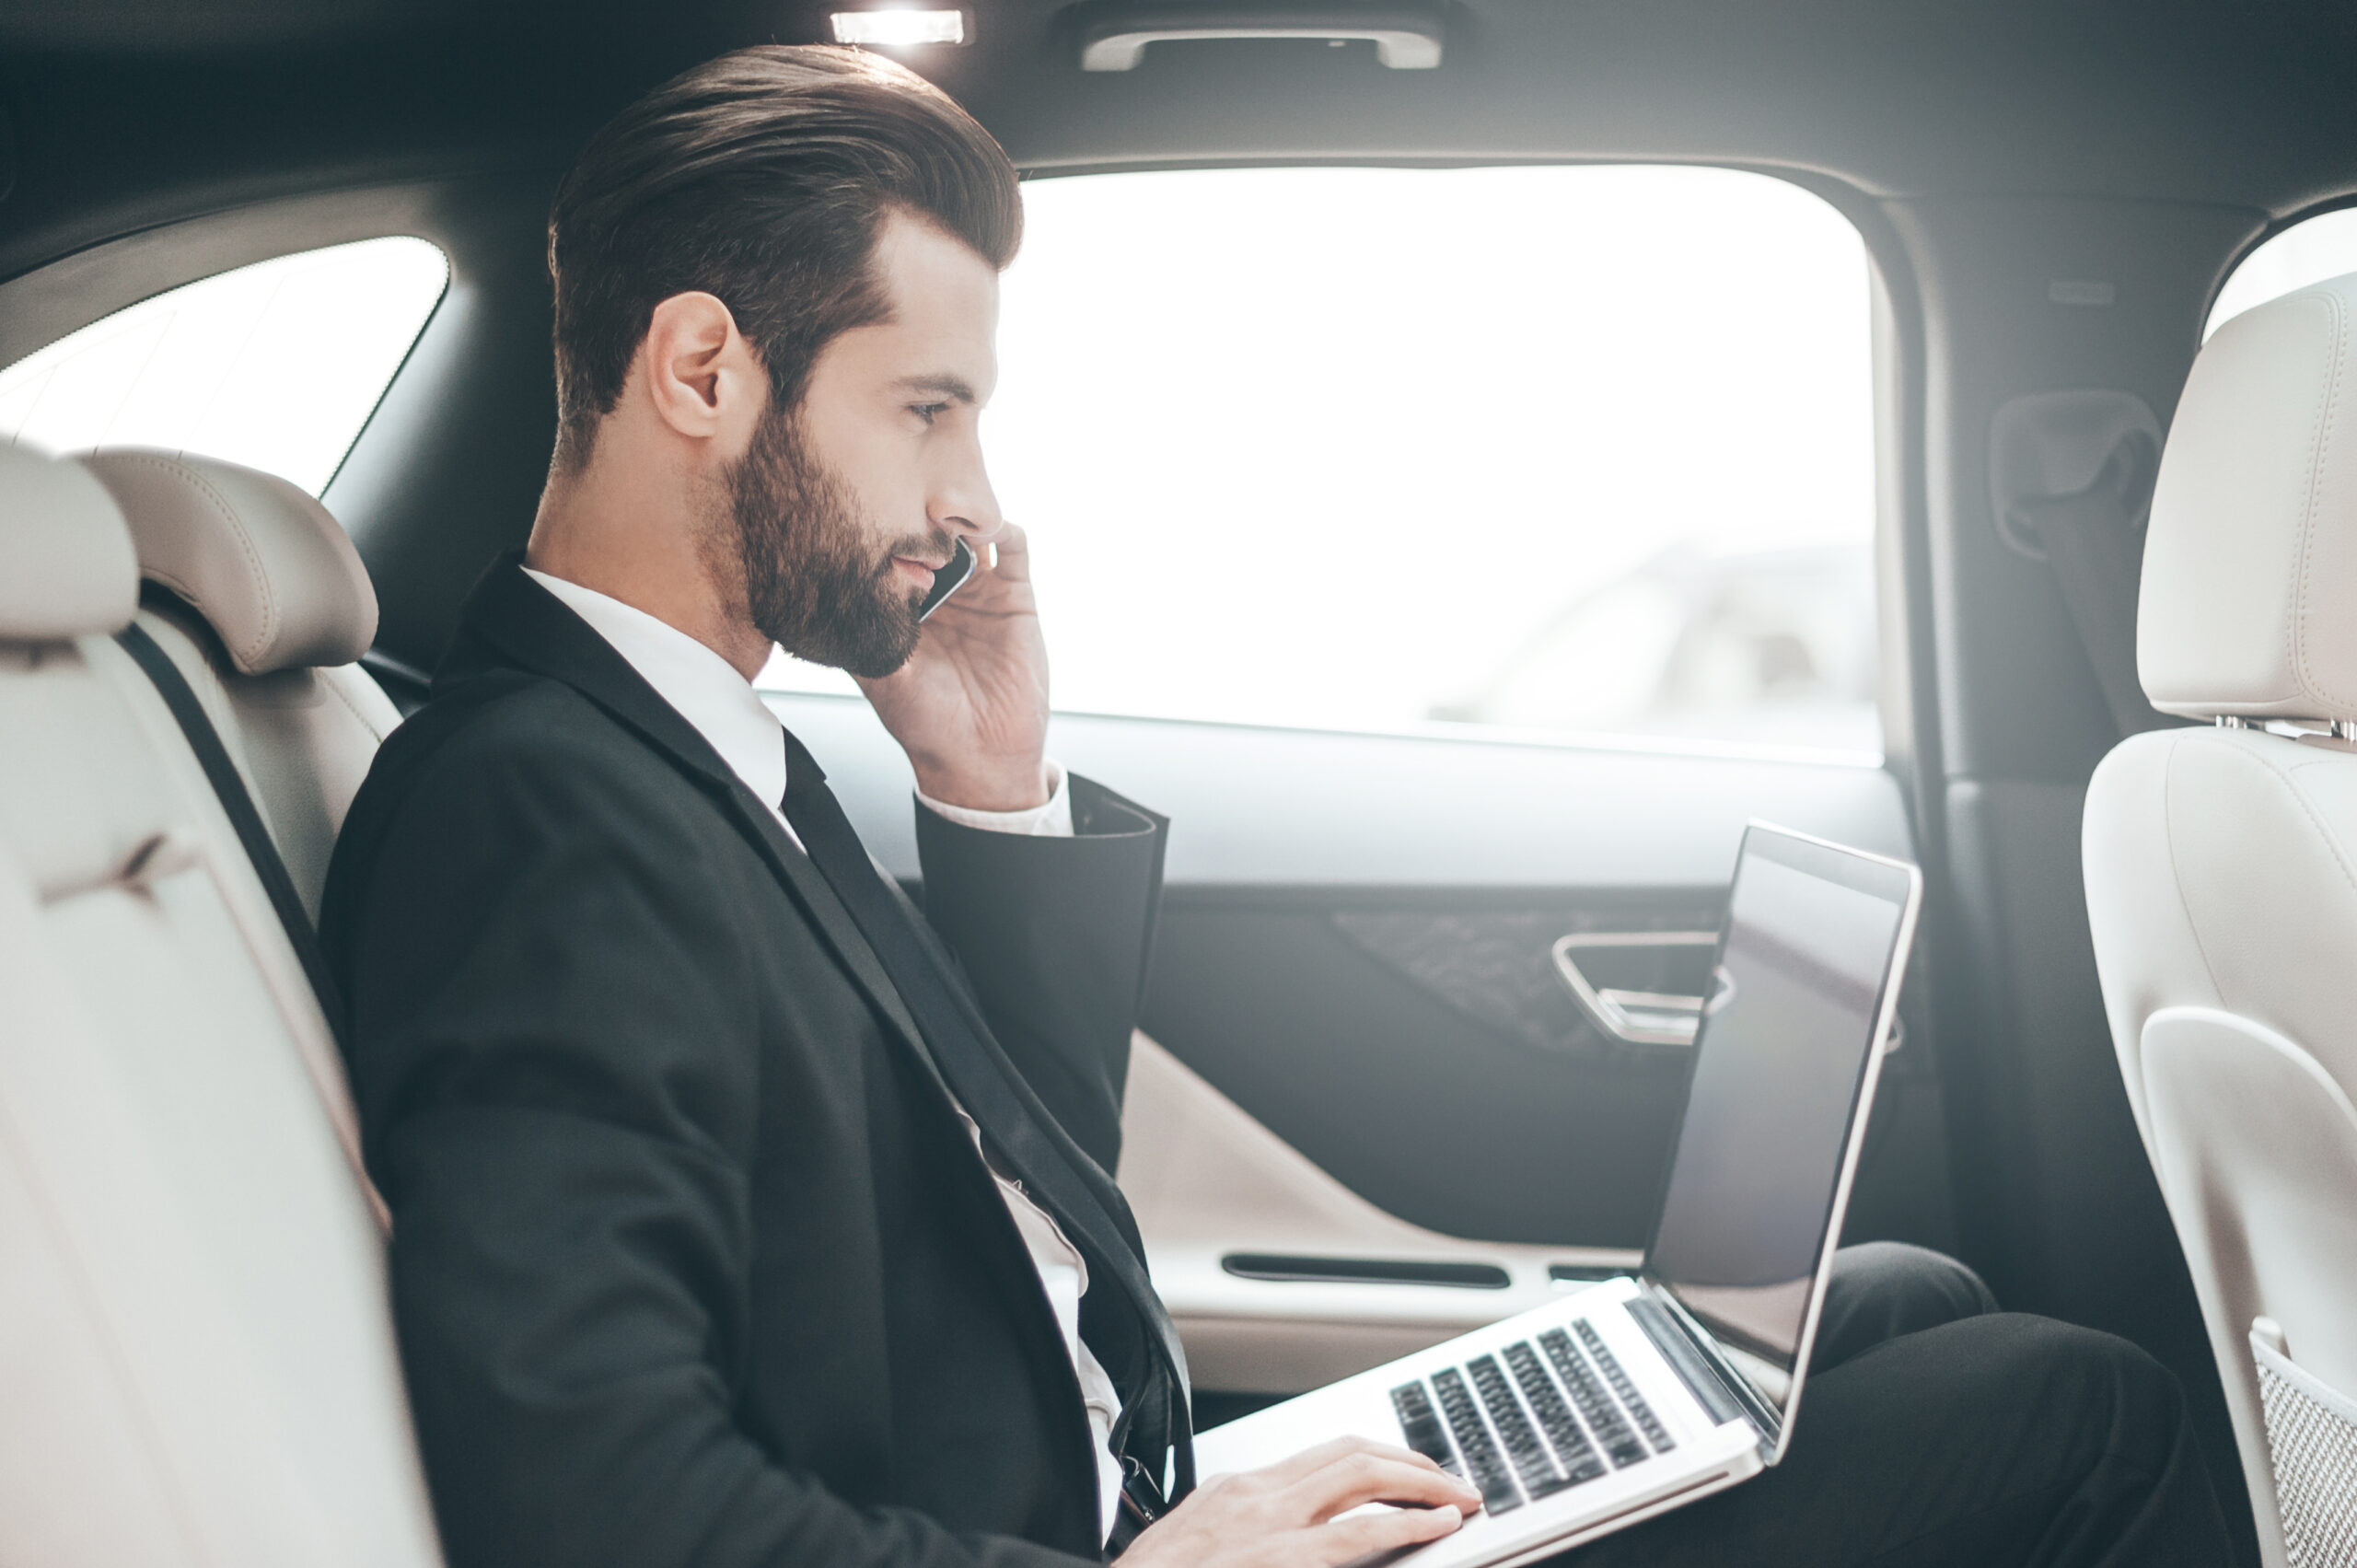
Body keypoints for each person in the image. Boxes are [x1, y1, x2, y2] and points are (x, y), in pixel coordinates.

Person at [319, 44, 2235, 1568]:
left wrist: (989, 793)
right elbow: (596, 1513)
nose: (970, 502)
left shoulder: (694, 748)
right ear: (704, 367)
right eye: (926, 409)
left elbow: (1009, 1227)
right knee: (2074, 1409)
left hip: (1107, 1499)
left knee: (1888, 1303)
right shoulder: (535, 814)